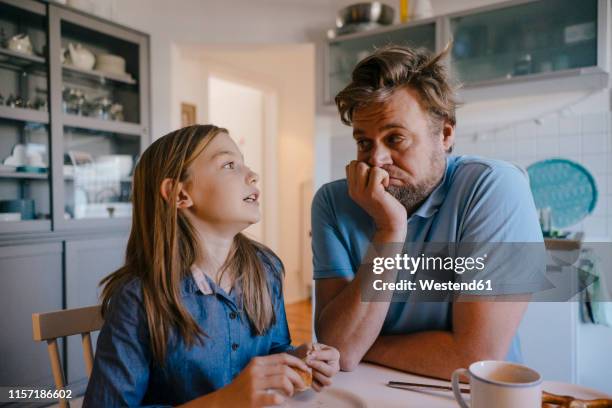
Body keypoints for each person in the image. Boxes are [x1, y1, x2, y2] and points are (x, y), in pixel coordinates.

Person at [312, 45, 548, 380]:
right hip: (366, 388)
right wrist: (389, 231)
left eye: (396, 138)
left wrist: (360, 345)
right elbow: (337, 345)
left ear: (446, 135)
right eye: (364, 142)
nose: (376, 160)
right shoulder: (333, 202)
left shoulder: (494, 187)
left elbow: (475, 357)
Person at [84, 125, 339, 407]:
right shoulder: (137, 299)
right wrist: (223, 402)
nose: (252, 174)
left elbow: (275, 348)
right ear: (180, 195)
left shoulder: (266, 268)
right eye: (230, 164)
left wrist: (298, 359)